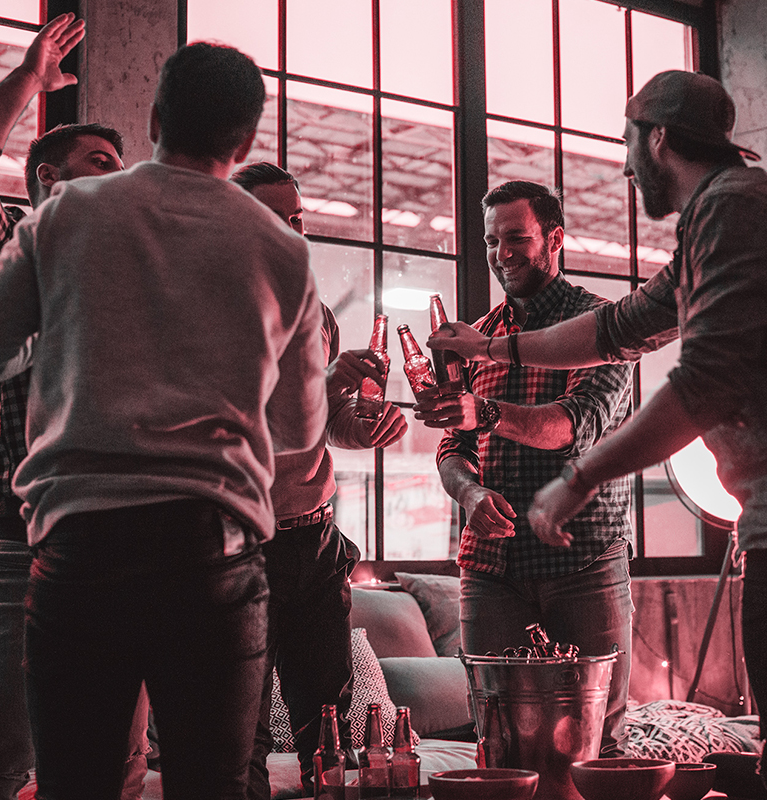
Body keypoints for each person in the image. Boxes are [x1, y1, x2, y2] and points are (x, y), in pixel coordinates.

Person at [0, 40, 327, 800]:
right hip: (213, 557)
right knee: (213, 786)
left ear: (156, 117)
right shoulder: (284, 253)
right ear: (248, 141)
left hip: (79, 551)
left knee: (79, 786)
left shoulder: (68, 214)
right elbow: (298, 435)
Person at [427, 70, 767, 788]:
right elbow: (618, 329)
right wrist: (488, 350)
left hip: (595, 555)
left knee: (605, 756)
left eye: (627, 140)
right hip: (500, 570)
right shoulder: (715, 216)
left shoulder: (731, 208)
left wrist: (577, 480)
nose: (620, 162)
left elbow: (700, 382)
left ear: (660, 139)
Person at [0, 14, 154, 800]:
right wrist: (29, 79)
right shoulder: (12, 241)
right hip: (15, 535)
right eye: (99, 163)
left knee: (112, 773)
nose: (117, 177)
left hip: (123, 540)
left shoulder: (139, 272)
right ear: (48, 181)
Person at [415, 180, 635, 755]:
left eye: (516, 237)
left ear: (555, 238)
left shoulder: (601, 326)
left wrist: (483, 411)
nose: (501, 253)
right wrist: (468, 497)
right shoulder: (476, 337)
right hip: (491, 568)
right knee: (498, 743)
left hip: (583, 558)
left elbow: (574, 426)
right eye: (491, 241)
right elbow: (453, 450)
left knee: (597, 744)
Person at [232, 162, 408, 798]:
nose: (292, 233)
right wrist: (330, 382)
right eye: (275, 218)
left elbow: (329, 425)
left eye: (298, 220)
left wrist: (368, 424)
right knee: (240, 728)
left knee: (328, 724)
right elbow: (254, 422)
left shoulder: (319, 313)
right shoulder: (219, 309)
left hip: (319, 544)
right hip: (244, 545)